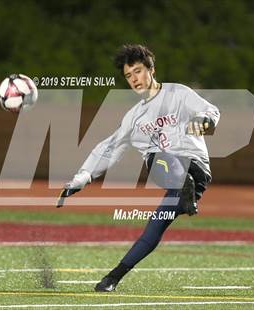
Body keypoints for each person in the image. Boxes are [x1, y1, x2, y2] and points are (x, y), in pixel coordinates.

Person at [57, 44, 220, 292]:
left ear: (151, 69)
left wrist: (205, 121)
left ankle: (183, 183)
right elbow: (109, 147)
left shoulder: (178, 93)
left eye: (138, 71)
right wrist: (83, 176)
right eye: (128, 75)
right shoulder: (134, 117)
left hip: (195, 169)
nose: (134, 79)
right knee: (153, 228)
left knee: (155, 156)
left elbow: (210, 111)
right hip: (174, 180)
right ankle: (112, 279)